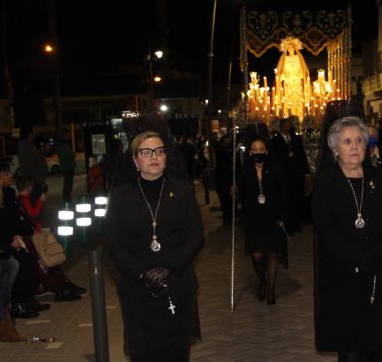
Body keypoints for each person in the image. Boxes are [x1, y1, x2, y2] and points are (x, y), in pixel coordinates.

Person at [106, 131, 204, 361]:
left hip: (177, 283)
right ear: (135, 159)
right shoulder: (121, 196)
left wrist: (169, 267)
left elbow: (195, 236)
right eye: (146, 152)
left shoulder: (181, 191)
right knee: (143, 351)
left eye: (159, 151)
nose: (154, 157)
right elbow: (113, 242)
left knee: (176, 350)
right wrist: (141, 273)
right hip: (136, 288)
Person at [312, 116, 382, 361]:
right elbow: (325, 228)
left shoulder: (381, 179)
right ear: (335, 149)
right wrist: (358, 259)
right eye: (347, 141)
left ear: (366, 145)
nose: (354, 146)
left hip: (378, 276)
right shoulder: (325, 183)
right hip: (343, 278)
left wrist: (375, 258)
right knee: (352, 352)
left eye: (359, 140)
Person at [15, 175, 85, 302]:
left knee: (48, 260)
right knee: (46, 260)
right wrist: (41, 201)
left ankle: (63, 285)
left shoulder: (22, 199)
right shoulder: (23, 199)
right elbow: (33, 214)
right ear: (29, 186)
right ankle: (60, 287)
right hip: (33, 236)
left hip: (34, 234)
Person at [0, 163, 46, 319]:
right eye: (7, 174)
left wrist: (19, 235)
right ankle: (9, 305)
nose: (10, 177)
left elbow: (13, 220)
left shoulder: (6, 193)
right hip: (0, 243)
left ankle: (23, 299)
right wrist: (10, 239)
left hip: (6, 240)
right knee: (15, 263)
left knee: (27, 259)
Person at [236, 136, 287, 304]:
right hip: (254, 218)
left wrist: (282, 216)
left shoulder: (275, 169)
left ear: (266, 151)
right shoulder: (245, 171)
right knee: (257, 256)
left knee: (272, 254)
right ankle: (262, 281)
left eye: (261, 150)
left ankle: (271, 289)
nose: (258, 153)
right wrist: (235, 192)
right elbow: (242, 196)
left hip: (272, 217)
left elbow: (282, 194)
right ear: (250, 152)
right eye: (255, 150)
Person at [271, 118, 310, 233]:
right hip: (284, 176)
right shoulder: (275, 141)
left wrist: (306, 171)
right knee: (286, 200)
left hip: (297, 175)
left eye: (290, 125)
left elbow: (302, 156)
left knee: (297, 199)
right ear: (281, 127)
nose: (288, 127)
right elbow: (274, 159)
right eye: (286, 125)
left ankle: (296, 223)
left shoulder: (296, 139)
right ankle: (287, 225)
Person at [276, 36, 310, 120]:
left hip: (297, 82)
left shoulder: (298, 58)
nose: (290, 48)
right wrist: (282, 77)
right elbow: (279, 71)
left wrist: (303, 77)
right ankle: (288, 117)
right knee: (288, 100)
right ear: (286, 49)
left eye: (292, 47)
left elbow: (304, 69)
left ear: (295, 48)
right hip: (288, 83)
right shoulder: (284, 59)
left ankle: (300, 117)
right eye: (288, 47)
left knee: (298, 100)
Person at [16, 126, 48, 204]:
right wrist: (37, 180)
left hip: (34, 180)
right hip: (33, 181)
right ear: (30, 133)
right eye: (34, 131)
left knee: (36, 204)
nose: (35, 133)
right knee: (35, 204)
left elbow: (36, 158)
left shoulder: (29, 145)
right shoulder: (25, 146)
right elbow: (31, 164)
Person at [214, 134, 235, 226]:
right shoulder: (221, 149)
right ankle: (227, 219)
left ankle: (227, 218)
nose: (230, 141)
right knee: (226, 199)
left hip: (222, 178)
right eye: (229, 139)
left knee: (225, 200)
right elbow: (225, 165)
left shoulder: (222, 149)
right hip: (223, 178)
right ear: (225, 139)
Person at [56, 128, 76, 203]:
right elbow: (70, 155)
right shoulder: (64, 144)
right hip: (68, 166)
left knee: (67, 184)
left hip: (65, 166)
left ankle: (66, 199)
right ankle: (67, 200)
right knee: (68, 184)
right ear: (64, 135)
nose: (69, 137)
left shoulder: (59, 144)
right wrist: (73, 154)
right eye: (68, 135)